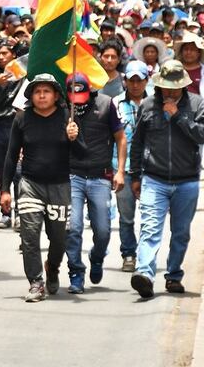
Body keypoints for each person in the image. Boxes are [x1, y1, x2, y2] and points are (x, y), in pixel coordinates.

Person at [0, 74, 83, 302]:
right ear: (31, 96)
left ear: (56, 95)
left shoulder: (68, 117)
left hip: (60, 186)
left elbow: (82, 155)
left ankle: (53, 267)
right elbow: (10, 155)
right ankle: (36, 283)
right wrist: (5, 189)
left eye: (47, 91)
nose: (42, 95)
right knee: (29, 236)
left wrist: (74, 138)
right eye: (37, 91)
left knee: (59, 238)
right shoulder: (22, 118)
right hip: (30, 185)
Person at [129, 60, 204, 299]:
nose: (170, 92)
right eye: (166, 87)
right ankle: (144, 274)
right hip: (154, 178)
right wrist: (135, 175)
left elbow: (201, 135)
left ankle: (173, 276)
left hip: (187, 181)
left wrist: (179, 117)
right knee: (150, 229)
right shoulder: (149, 104)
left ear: (183, 85)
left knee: (181, 232)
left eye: (175, 87)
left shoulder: (197, 104)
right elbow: (138, 142)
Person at [65, 73, 125, 294]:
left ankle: (97, 258)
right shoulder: (64, 108)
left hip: (100, 176)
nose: (78, 99)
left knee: (103, 230)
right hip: (73, 176)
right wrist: (66, 134)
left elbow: (120, 137)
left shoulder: (106, 104)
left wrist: (120, 171)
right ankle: (76, 273)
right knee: (73, 228)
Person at [114, 61, 152, 273]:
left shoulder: (156, 102)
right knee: (126, 217)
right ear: (125, 81)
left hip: (151, 169)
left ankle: (146, 257)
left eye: (139, 80)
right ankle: (128, 253)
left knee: (149, 218)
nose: (135, 84)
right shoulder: (116, 103)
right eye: (131, 80)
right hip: (125, 168)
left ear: (146, 80)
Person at [0, 41, 23, 227]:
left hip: (17, 125)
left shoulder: (23, 74)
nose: (1, 57)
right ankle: (6, 213)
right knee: (1, 171)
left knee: (18, 170)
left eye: (5, 53)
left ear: (13, 55)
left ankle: (20, 213)